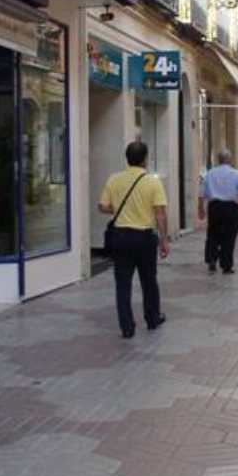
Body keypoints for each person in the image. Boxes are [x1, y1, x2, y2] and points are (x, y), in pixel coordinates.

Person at [99, 141, 169, 338]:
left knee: (122, 284)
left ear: (127, 158)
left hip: (120, 237)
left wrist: (118, 210)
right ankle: (153, 318)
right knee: (149, 281)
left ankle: (127, 327)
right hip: (145, 238)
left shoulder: (114, 180)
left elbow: (102, 206)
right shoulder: (153, 181)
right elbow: (160, 214)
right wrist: (164, 240)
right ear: (145, 159)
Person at [199, 148, 238, 274]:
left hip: (215, 207)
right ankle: (226, 265)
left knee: (213, 234)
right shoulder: (235, 173)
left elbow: (201, 193)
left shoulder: (210, 173)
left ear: (218, 159)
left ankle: (211, 260)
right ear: (229, 160)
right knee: (229, 236)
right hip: (230, 208)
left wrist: (200, 209)